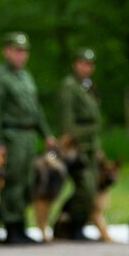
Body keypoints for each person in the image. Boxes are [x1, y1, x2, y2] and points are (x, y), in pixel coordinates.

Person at [0, 32, 56, 244]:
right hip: (10, 135)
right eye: (17, 50)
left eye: (24, 51)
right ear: (6, 51)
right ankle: (11, 226)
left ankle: (20, 224)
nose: (21, 55)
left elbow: (35, 109)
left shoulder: (26, 77)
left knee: (27, 181)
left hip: (28, 136)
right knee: (11, 181)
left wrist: (46, 133)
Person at [55, 48, 102, 240]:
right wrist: (72, 145)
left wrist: (97, 148)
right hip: (77, 145)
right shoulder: (69, 86)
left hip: (91, 143)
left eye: (90, 64)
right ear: (76, 64)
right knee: (85, 187)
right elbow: (67, 121)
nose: (87, 68)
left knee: (91, 188)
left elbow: (94, 121)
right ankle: (72, 225)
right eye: (83, 63)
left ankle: (78, 225)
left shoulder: (88, 86)